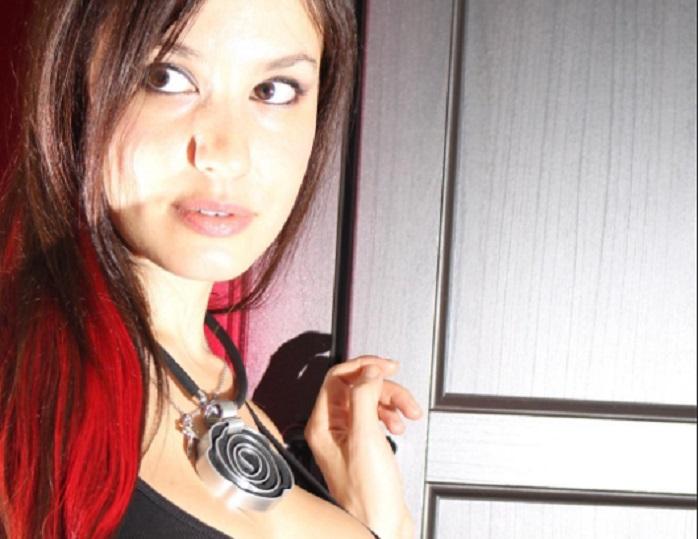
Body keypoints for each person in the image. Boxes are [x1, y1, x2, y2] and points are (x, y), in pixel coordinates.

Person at [0, 0, 423, 538]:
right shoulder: (21, 390)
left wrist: (380, 520)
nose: (227, 154)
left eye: (273, 90)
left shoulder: (230, 399)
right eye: (166, 77)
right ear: (76, 84)